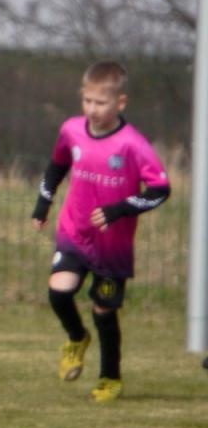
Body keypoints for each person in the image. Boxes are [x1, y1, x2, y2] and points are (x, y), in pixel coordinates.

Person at [31, 61, 170, 402]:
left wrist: (117, 209)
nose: (92, 110)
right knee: (59, 292)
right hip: (74, 230)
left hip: (112, 245)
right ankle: (76, 338)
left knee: (103, 311)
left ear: (120, 103)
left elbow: (160, 190)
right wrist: (42, 205)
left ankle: (110, 378)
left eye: (101, 103)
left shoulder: (133, 145)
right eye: (88, 101)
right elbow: (57, 165)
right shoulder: (71, 130)